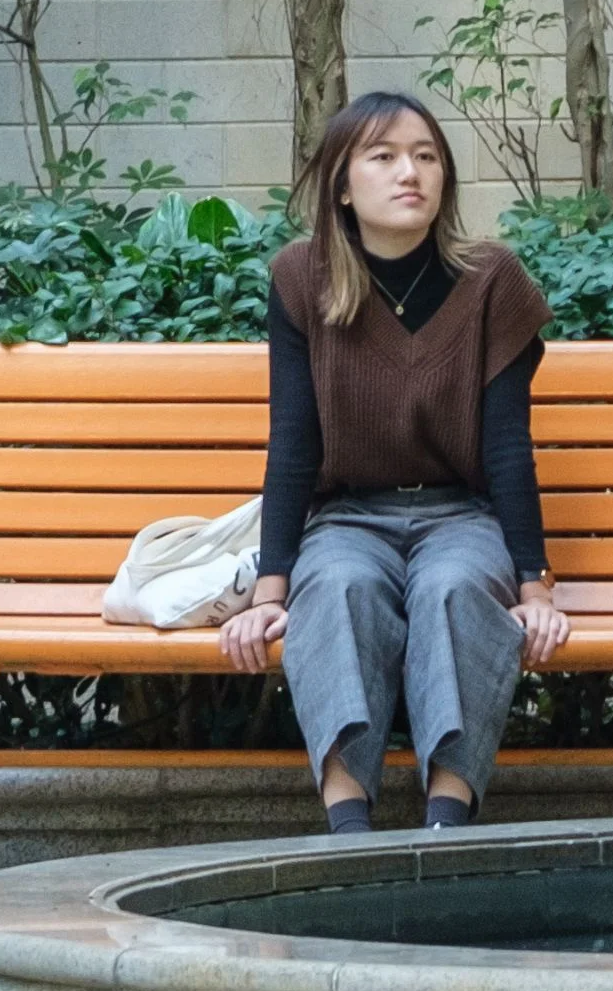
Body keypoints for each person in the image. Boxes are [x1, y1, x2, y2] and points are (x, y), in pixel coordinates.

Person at [213, 93, 570, 830]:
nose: (410, 172)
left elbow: (507, 444)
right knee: (336, 588)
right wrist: (271, 586)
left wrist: (534, 585)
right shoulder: (301, 279)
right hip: (347, 519)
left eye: (426, 155)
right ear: (343, 184)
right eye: (384, 156)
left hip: (461, 517)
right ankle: (351, 836)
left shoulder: (490, 280)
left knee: (453, 589)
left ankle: (446, 825)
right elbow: (294, 441)